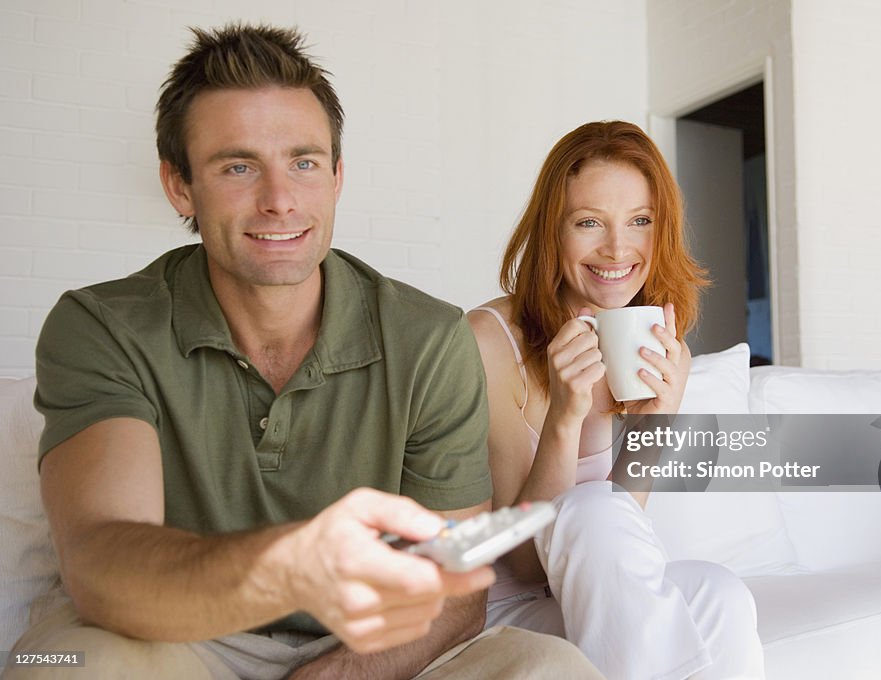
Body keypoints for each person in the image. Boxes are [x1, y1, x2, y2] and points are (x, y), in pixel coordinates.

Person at [3, 24, 602, 680]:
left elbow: (455, 591)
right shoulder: (104, 326)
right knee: (60, 665)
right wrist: (289, 570)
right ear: (179, 186)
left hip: (369, 645)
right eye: (238, 166)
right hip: (175, 637)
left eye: (304, 162)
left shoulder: (430, 339)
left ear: (338, 176)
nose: (280, 199)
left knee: (554, 668)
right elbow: (104, 567)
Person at [470, 121, 766, 679]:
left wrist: (659, 423)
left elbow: (613, 547)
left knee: (722, 593)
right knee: (593, 507)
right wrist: (564, 418)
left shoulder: (639, 334)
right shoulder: (489, 339)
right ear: (551, 232)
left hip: (590, 606)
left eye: (640, 221)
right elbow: (524, 562)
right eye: (588, 223)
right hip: (504, 615)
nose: (617, 248)